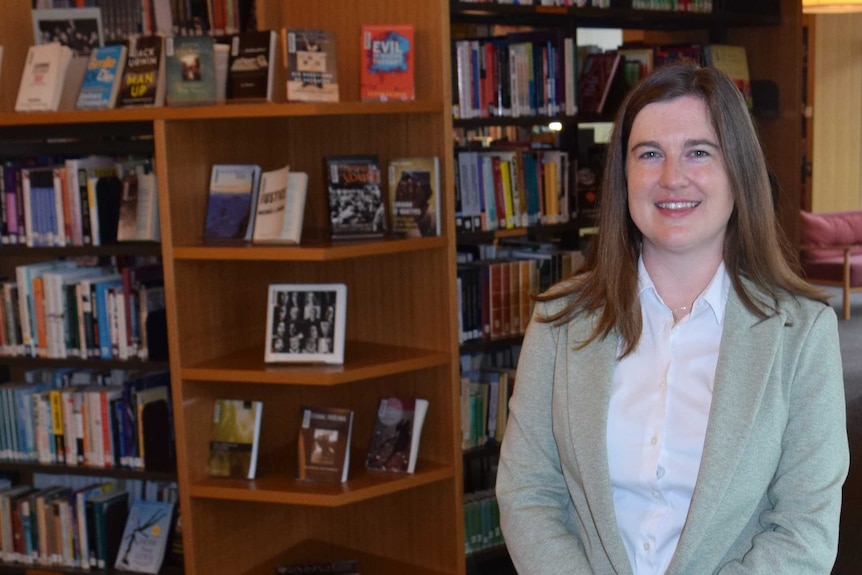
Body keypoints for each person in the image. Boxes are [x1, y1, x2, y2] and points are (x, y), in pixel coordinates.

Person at [496, 63, 849, 575]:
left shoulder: (800, 332)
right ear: (624, 176)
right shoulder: (560, 320)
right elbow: (528, 494)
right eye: (649, 154)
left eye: (699, 152)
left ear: (739, 171)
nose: (671, 178)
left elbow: (804, 528)